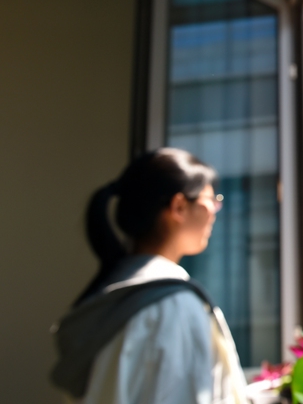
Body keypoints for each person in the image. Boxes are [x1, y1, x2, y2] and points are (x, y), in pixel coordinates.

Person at [51, 148, 248, 403]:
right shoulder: (173, 306)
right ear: (178, 206)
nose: (214, 210)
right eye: (211, 199)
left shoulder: (114, 294)